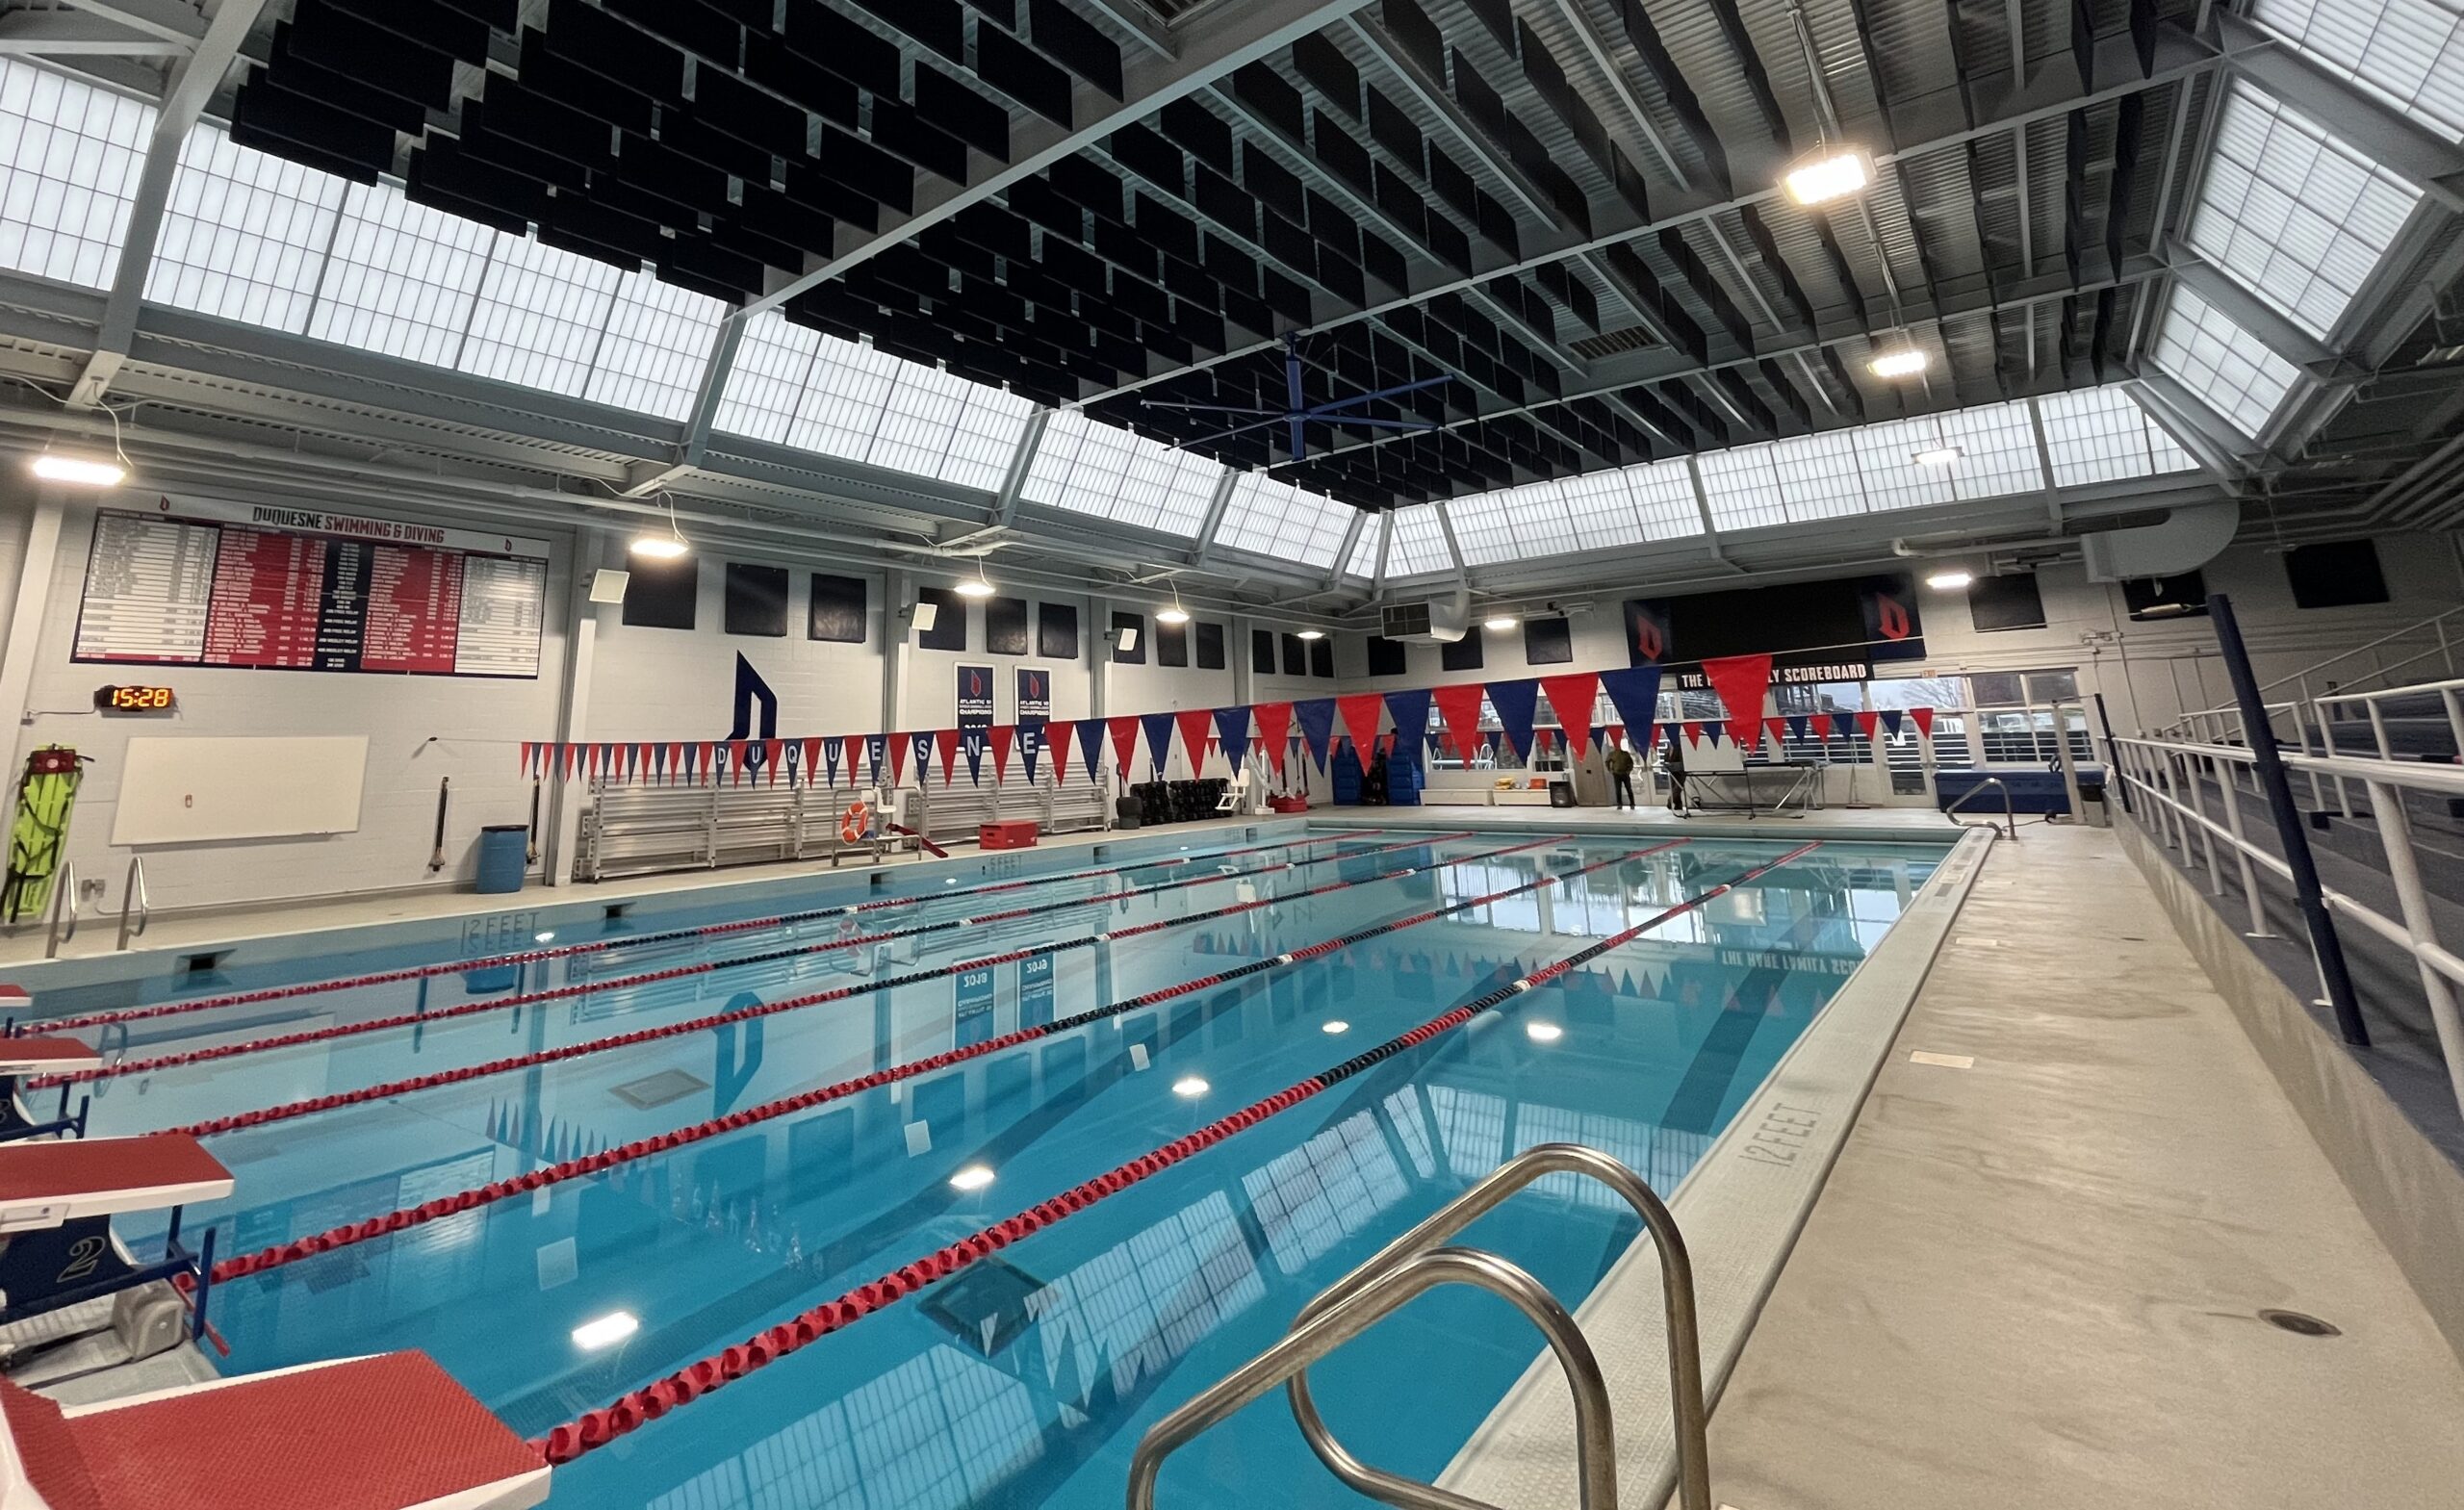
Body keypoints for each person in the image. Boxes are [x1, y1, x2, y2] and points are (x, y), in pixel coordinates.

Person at [1662, 729, 1688, 815]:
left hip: (1680, 771)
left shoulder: (1680, 746)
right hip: (1672, 770)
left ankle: (1670, 801)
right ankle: (1678, 805)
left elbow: (1683, 759)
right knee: (1674, 787)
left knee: (1678, 788)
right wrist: (1666, 763)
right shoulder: (1668, 746)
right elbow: (1666, 757)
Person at [1604, 741, 1636, 808]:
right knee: (1618, 789)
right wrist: (1610, 770)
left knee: (1629, 789)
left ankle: (1632, 803)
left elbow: (1631, 763)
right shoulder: (1612, 754)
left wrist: (1628, 771)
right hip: (1617, 774)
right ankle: (1619, 804)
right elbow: (1607, 762)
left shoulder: (1625, 754)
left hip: (1625, 773)